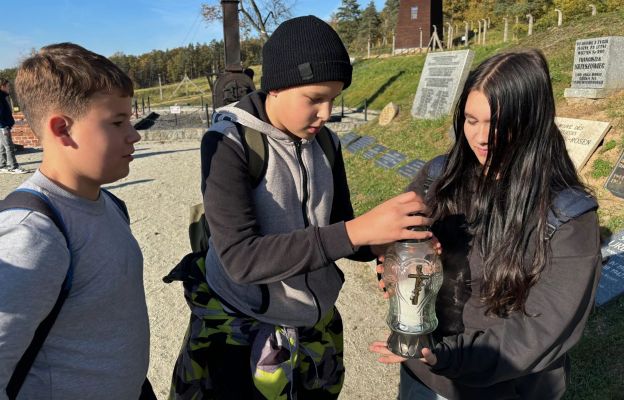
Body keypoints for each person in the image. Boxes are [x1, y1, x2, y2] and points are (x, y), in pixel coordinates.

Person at [169, 15, 432, 399]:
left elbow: (337, 228)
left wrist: (383, 243)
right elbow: (241, 260)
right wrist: (356, 232)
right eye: (314, 99)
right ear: (276, 86)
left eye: (333, 98)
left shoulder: (327, 144)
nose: (326, 113)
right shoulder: (228, 143)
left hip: (314, 330)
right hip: (242, 330)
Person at [369, 49, 602, 399]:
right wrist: (389, 259)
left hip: (505, 387)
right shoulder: (439, 176)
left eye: (496, 123)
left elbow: (536, 334)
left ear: (532, 122)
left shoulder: (567, 217)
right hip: (422, 374)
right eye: (471, 120)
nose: (479, 138)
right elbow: (392, 238)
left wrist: (448, 356)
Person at [0, 43, 153, 399]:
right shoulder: (32, 236)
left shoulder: (108, 203)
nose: (134, 135)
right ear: (63, 129)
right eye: (117, 122)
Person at [0, 79, 27, 174]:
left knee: (3, 146)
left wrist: (16, 122)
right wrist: (3, 127)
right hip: (3, 126)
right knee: (9, 146)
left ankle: (2, 166)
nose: (9, 88)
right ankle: (13, 167)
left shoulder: (3, 97)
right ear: (2, 86)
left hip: (3, 125)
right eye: (7, 86)